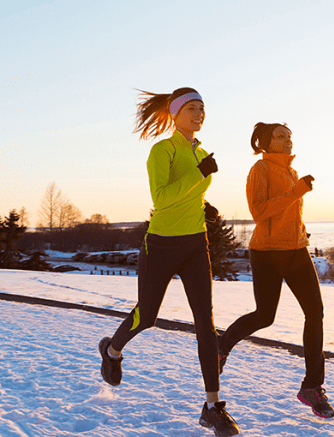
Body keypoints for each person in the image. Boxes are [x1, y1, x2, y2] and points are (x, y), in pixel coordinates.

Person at [98, 87, 241, 436]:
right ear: (175, 114)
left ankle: (212, 407)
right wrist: (199, 174)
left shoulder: (201, 152)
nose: (199, 113)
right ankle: (112, 351)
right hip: (161, 245)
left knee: (205, 325)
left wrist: (204, 206)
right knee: (147, 315)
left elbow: (188, 194)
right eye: (192, 108)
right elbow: (161, 199)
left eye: (203, 108)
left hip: (195, 244)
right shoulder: (162, 150)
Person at [218, 122, 334, 418]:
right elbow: (259, 212)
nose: (288, 141)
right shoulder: (261, 170)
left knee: (315, 313)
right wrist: (296, 192)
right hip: (267, 252)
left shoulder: (291, 171)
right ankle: (222, 345)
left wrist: (302, 232)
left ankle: (312, 387)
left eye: (290, 136)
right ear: (265, 142)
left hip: (297, 251)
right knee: (265, 316)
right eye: (280, 136)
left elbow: (290, 213)